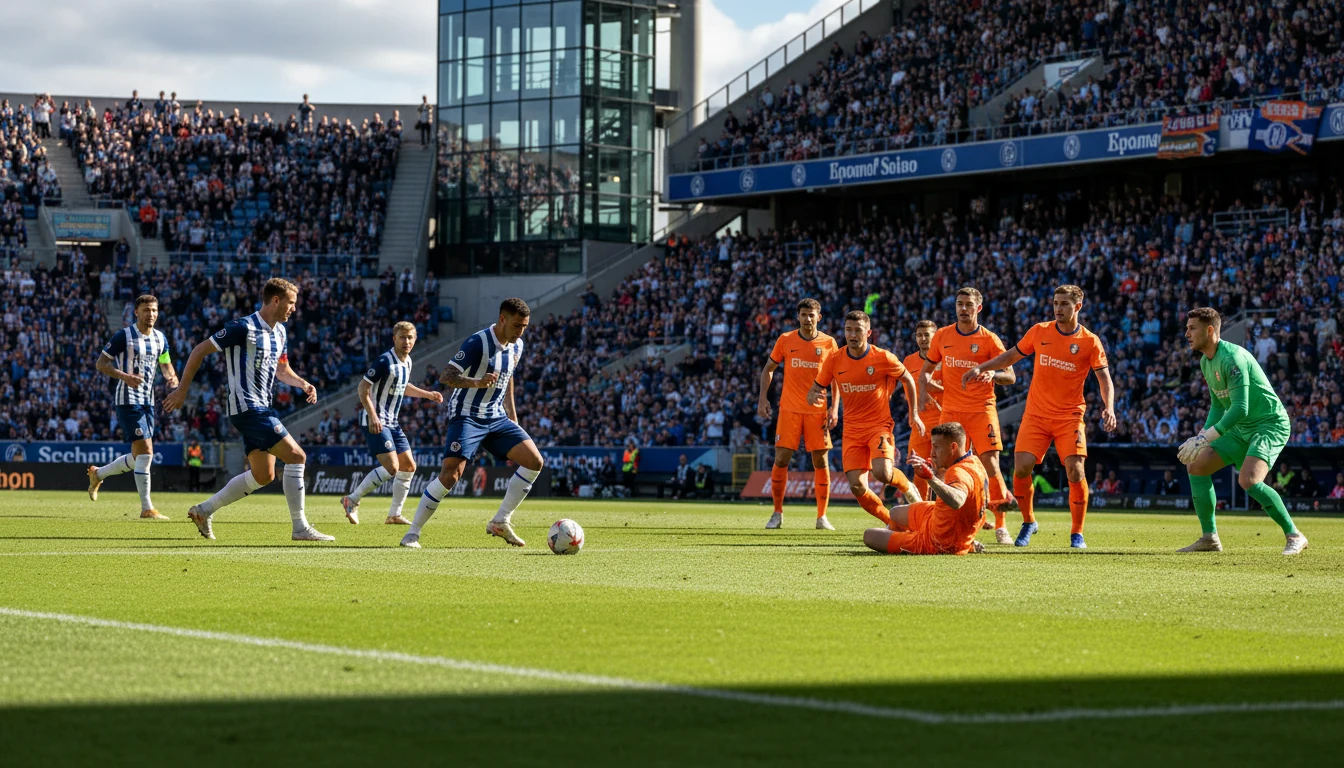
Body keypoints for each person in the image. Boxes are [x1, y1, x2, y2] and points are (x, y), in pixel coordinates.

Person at [165, 278, 333, 542]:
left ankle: (204, 510)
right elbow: (198, 351)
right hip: (248, 408)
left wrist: (303, 383)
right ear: (276, 300)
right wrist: (182, 390)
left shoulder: (280, 332)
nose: (294, 309)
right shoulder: (242, 327)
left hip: (260, 408)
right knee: (297, 457)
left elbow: (282, 369)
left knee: (263, 475)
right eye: (291, 303)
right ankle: (300, 527)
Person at [962, 285, 1116, 549]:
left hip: (1069, 416)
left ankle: (1077, 533)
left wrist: (1109, 407)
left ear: (1077, 307)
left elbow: (1104, 378)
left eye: (1065, 304)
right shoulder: (1040, 331)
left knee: (1075, 469)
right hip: (1036, 415)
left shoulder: (1090, 341)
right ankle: (1028, 521)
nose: (1058, 308)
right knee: (1021, 468)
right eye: (1056, 303)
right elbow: (1012, 355)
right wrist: (982, 367)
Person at [402, 298, 545, 549]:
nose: (521, 331)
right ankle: (412, 533)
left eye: (525, 326)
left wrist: (512, 414)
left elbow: (507, 376)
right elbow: (446, 376)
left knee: (535, 462)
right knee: (451, 475)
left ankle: (501, 521)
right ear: (502, 319)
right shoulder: (477, 342)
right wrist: (476, 382)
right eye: (517, 325)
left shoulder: (517, 346)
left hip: (496, 416)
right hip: (466, 414)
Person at [1176, 307, 1307, 555]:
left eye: (1192, 328)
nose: (1187, 334)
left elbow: (1241, 407)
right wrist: (1201, 437)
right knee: (1196, 466)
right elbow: (1218, 405)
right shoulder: (1206, 361)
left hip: (1268, 424)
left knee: (1248, 480)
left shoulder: (1233, 358)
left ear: (1210, 330)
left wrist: (1207, 436)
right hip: (1239, 427)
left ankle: (1295, 535)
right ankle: (1209, 538)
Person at [918, 287, 1019, 545]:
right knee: (943, 466)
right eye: (960, 304)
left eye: (968, 304)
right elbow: (926, 370)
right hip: (951, 412)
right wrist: (925, 392)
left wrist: (993, 374)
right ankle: (939, 522)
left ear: (978, 308)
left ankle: (1001, 526)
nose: (963, 308)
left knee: (990, 463)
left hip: (981, 408)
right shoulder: (942, 336)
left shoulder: (989, 339)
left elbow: (1011, 375)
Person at [806, 310, 924, 528]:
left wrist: (914, 412)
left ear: (868, 332)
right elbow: (818, 385)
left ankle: (907, 486)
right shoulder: (835, 359)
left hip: (879, 426)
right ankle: (892, 522)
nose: (852, 335)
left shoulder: (882, 357)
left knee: (883, 474)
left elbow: (907, 378)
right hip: (851, 431)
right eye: (848, 330)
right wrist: (813, 394)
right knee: (857, 487)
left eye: (857, 330)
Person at [341, 322, 444, 525]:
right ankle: (351, 500)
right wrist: (373, 416)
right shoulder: (384, 361)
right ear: (394, 339)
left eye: (410, 338)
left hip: (392, 422)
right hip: (375, 420)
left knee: (408, 466)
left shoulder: (407, 362)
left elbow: (403, 387)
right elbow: (363, 388)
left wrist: (428, 395)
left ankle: (394, 515)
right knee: (392, 467)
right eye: (402, 337)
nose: (407, 341)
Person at [87, 294, 177, 520]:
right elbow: (101, 364)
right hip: (128, 400)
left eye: (154, 310)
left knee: (139, 457)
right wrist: (124, 376)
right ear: (136, 312)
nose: (151, 314)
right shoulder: (123, 336)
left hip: (148, 402)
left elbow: (165, 364)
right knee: (147, 451)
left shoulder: (160, 339)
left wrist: (172, 379)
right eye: (146, 310)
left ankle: (98, 474)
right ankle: (147, 508)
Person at [757, 298, 840, 530]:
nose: (807, 319)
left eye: (812, 315)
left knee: (820, 460)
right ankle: (777, 513)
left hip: (817, 411)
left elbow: (836, 378)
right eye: (804, 314)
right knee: (781, 459)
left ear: (819, 317)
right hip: (789, 410)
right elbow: (769, 369)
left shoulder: (829, 343)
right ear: (798, 317)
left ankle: (822, 517)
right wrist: (763, 398)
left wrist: (834, 408)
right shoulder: (785, 340)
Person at [862, 422, 987, 556]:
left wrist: (930, 478)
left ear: (953, 447)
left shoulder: (958, 472)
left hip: (940, 541)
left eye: (936, 447)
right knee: (894, 513)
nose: (932, 453)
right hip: (939, 517)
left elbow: (957, 501)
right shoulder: (974, 462)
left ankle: (961, 544)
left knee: (869, 536)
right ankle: (966, 541)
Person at [901, 319, 943, 500]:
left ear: (936, 337)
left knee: (944, 469)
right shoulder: (909, 361)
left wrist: (934, 388)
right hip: (919, 422)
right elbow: (908, 393)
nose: (923, 339)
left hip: (943, 421)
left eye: (927, 335)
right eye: (920, 335)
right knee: (919, 468)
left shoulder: (946, 358)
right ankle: (922, 513)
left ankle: (948, 512)